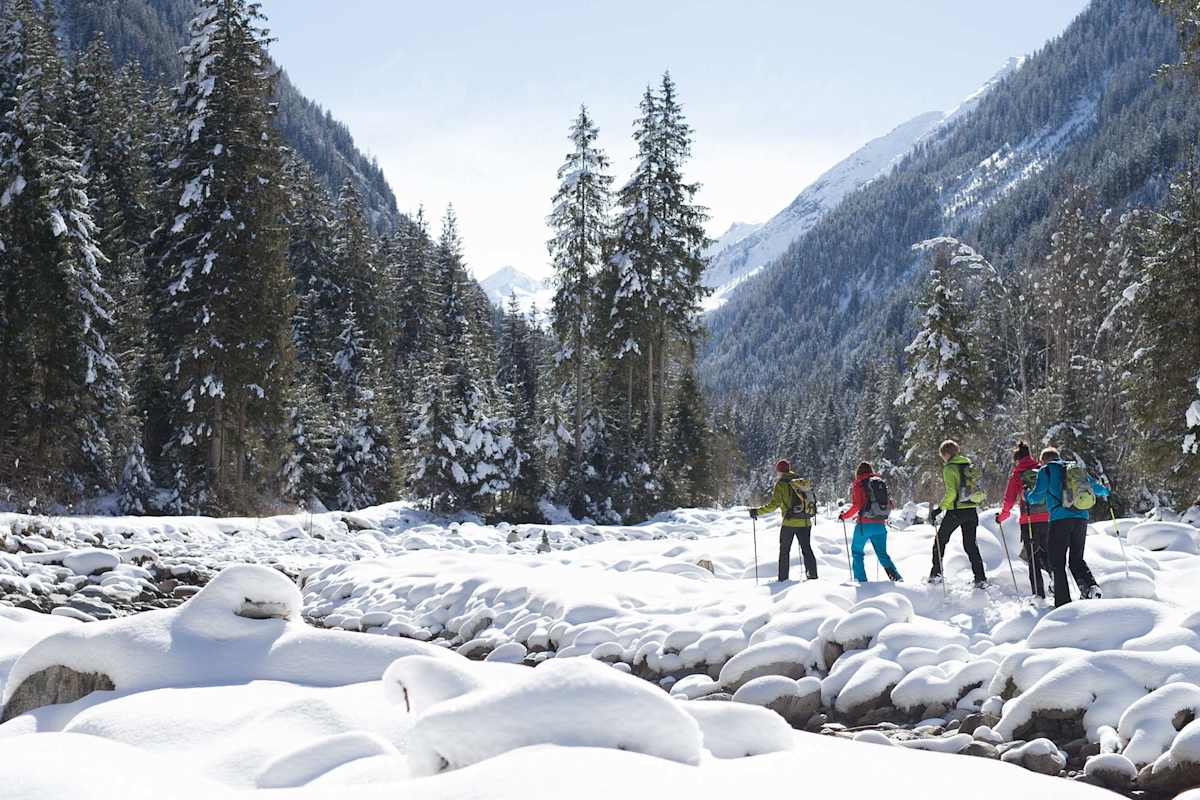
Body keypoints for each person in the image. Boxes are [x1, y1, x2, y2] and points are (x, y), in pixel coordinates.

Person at [1024, 446, 1110, 607]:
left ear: (1043, 460)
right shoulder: (1075, 469)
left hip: (1059, 520)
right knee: (1076, 559)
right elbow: (1097, 488)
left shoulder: (1046, 471)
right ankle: (1091, 588)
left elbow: (1037, 497)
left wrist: (1026, 495)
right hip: (1081, 519)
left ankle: (1063, 603)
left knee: (1057, 562)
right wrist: (1106, 490)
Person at [928, 439, 988, 588]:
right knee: (970, 545)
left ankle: (936, 575)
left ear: (946, 454)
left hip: (956, 511)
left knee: (940, 541)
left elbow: (951, 493)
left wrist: (939, 509)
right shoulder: (969, 466)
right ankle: (980, 578)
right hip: (972, 510)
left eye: (943, 456)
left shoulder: (949, 468)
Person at [996, 441, 1050, 598]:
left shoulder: (1018, 474)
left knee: (1033, 558)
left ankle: (1038, 595)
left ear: (1017, 459)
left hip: (1029, 520)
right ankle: (1056, 585)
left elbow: (1009, 500)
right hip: (1047, 519)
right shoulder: (1042, 470)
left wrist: (1002, 517)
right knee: (1048, 555)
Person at [750, 460, 818, 582]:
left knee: (785, 551)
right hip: (805, 521)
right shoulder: (799, 480)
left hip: (789, 522)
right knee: (807, 549)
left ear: (779, 471)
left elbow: (773, 505)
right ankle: (813, 577)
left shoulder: (781, 484)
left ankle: (783, 579)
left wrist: (757, 512)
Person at [837, 461, 902, 583]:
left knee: (857, 552)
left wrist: (844, 516)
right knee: (882, 554)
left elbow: (856, 506)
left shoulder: (859, 484)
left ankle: (861, 581)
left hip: (864, 526)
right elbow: (891, 504)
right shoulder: (879, 482)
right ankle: (897, 578)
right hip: (880, 525)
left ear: (858, 472)